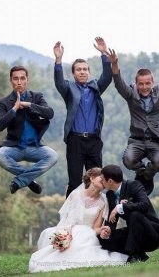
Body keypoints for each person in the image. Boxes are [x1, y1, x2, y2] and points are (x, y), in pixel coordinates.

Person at [106, 34, 159, 195]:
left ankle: (147, 176)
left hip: (156, 140)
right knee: (128, 160)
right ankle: (141, 172)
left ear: (153, 82)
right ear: (136, 83)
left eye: (147, 83)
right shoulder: (131, 94)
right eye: (141, 84)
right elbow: (118, 82)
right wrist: (114, 64)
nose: (144, 87)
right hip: (136, 140)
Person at [29, 168, 128, 273]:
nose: (104, 181)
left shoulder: (103, 201)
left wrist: (103, 230)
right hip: (70, 229)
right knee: (67, 239)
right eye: (101, 178)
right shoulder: (76, 195)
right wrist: (66, 235)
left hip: (88, 233)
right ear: (92, 178)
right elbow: (69, 221)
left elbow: (95, 228)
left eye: (105, 179)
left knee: (83, 239)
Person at [53, 38, 112, 197]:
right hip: (75, 141)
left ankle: (97, 218)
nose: (82, 72)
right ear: (73, 73)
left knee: (97, 180)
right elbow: (59, 82)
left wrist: (104, 54)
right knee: (74, 182)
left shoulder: (95, 87)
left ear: (89, 72)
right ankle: (68, 218)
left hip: (93, 140)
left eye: (85, 69)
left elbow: (107, 76)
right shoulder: (69, 89)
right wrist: (58, 60)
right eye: (78, 69)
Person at [0, 65, 58, 194]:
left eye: (22, 78)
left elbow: (49, 113)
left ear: (27, 80)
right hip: (15, 147)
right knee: (0, 155)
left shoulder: (36, 97)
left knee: (53, 156)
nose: (19, 82)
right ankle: (29, 179)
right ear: (11, 81)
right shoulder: (4, 102)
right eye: (15, 78)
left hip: (35, 147)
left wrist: (29, 105)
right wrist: (14, 109)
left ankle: (20, 181)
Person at [99, 164, 159, 263]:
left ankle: (134, 256)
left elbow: (144, 205)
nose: (101, 182)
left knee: (135, 215)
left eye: (102, 179)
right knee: (103, 240)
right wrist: (108, 229)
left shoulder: (133, 185)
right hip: (134, 234)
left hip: (152, 234)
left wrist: (121, 207)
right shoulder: (110, 195)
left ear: (110, 181)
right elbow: (112, 218)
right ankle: (140, 254)